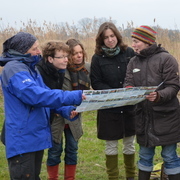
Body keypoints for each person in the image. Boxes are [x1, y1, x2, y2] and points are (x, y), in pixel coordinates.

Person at [0, 32, 84, 180]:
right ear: (22, 50)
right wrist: (74, 95)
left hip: (34, 138)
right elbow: (36, 96)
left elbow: (45, 96)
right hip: (23, 139)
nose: (39, 52)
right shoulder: (14, 69)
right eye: (34, 48)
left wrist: (64, 110)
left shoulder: (30, 69)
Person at [124, 25, 180, 180]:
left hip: (167, 118)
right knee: (144, 156)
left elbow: (174, 86)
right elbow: (128, 82)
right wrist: (129, 90)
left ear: (147, 41)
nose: (133, 45)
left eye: (136, 41)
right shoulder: (133, 62)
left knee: (169, 156)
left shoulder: (166, 59)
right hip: (143, 118)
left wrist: (158, 96)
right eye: (132, 41)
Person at [37, 39, 90, 180]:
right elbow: (53, 96)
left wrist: (81, 108)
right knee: (55, 151)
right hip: (57, 117)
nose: (78, 56)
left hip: (74, 117)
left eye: (81, 52)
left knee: (72, 150)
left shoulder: (84, 71)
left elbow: (86, 95)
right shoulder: (58, 71)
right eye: (74, 53)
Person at [90, 22, 136, 180]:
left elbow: (136, 75)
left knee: (129, 143)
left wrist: (127, 91)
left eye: (112, 36)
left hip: (129, 106)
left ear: (117, 36)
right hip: (108, 107)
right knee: (111, 145)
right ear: (101, 40)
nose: (110, 40)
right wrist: (114, 93)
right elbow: (95, 82)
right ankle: (113, 177)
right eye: (106, 37)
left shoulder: (129, 52)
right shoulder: (97, 58)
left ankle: (131, 175)